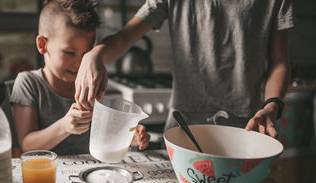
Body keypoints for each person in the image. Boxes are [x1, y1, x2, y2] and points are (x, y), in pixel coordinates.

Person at [75, 0, 294, 138]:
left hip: (244, 127)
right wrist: (95, 54)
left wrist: (272, 104)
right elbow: (124, 38)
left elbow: (280, 63)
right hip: (184, 127)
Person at [10, 0, 150, 155]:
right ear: (43, 44)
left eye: (87, 54)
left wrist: (128, 138)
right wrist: (64, 127)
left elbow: (102, 136)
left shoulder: (90, 82)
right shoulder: (28, 83)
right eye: (70, 53)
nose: (80, 63)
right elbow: (27, 146)